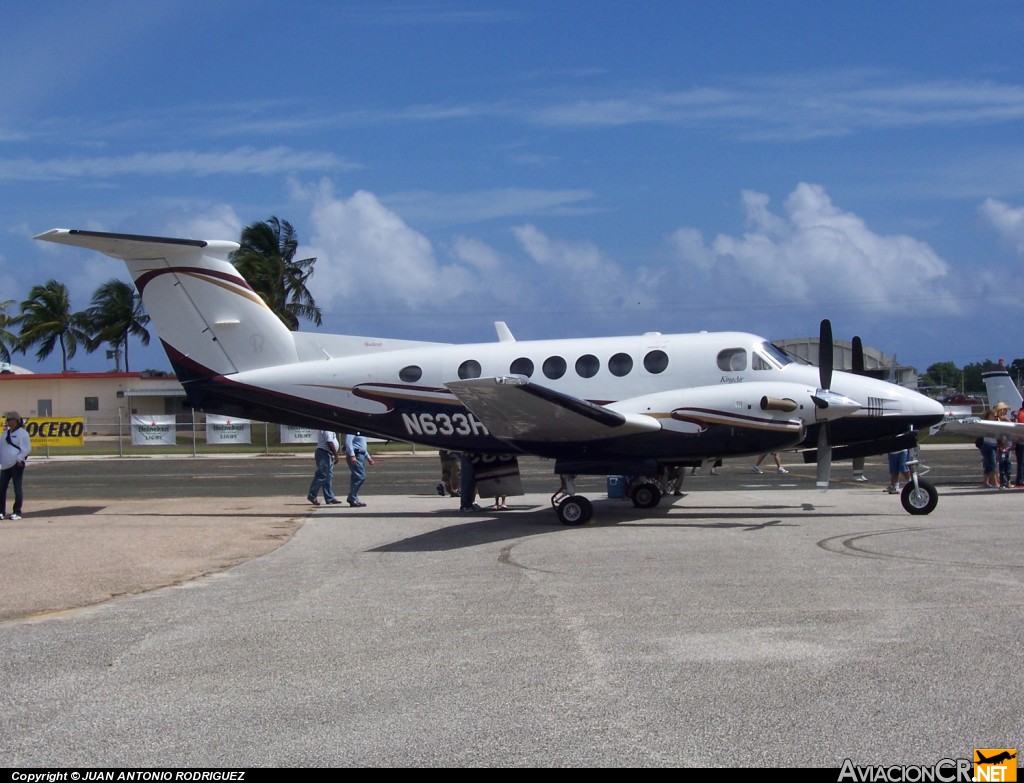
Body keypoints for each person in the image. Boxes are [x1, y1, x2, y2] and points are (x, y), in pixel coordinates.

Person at [0, 412, 31, 520]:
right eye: (8, 420)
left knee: (17, 488)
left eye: (11, 419)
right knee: (1, 488)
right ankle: (1, 511)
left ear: (17, 420)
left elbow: (26, 449)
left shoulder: (23, 434)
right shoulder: (4, 434)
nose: (9, 421)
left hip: (16, 464)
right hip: (5, 465)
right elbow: (1, 448)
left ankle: (17, 512)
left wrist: (19, 459)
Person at [307, 430, 342, 506]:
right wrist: (336, 455)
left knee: (328, 476)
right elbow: (329, 442)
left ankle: (329, 497)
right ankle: (312, 495)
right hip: (323, 453)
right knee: (322, 475)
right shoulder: (327, 429)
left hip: (327, 454)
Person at [344, 431, 375, 507]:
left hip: (361, 455)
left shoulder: (361, 431)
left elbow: (362, 447)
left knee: (355, 478)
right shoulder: (351, 429)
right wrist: (352, 455)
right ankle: (352, 497)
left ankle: (355, 499)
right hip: (355, 454)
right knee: (360, 477)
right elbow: (348, 443)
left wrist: (368, 458)